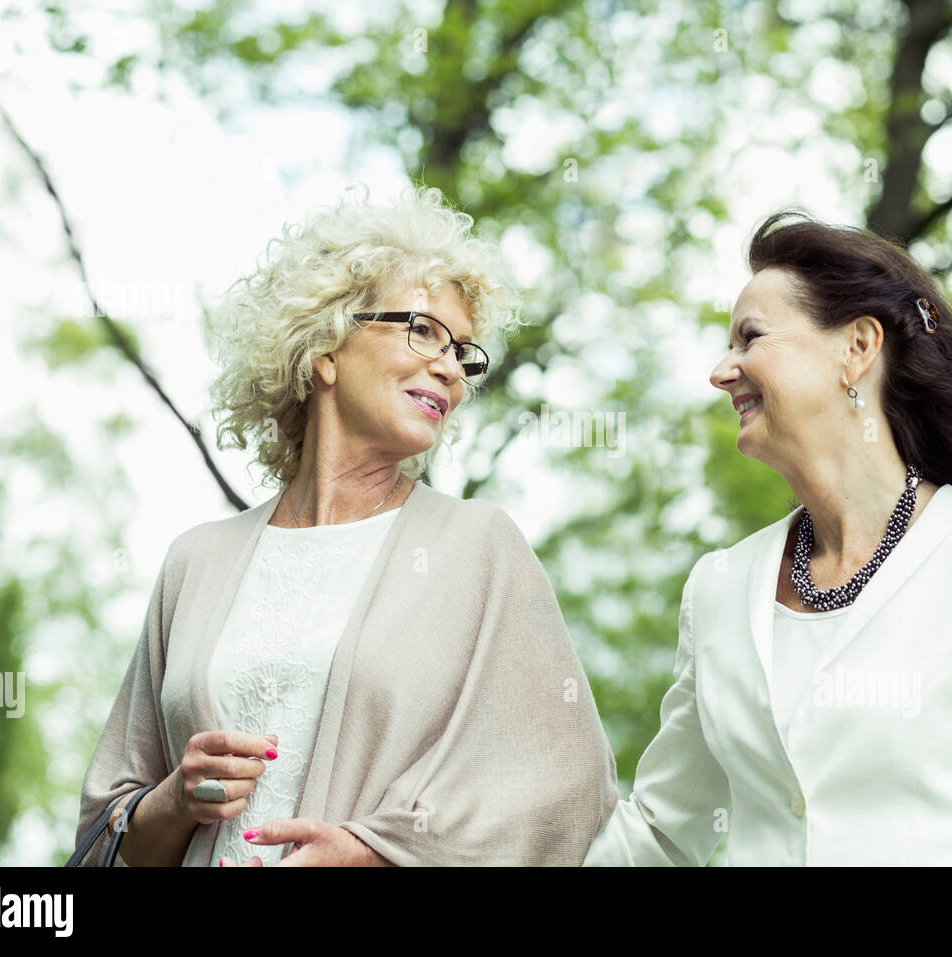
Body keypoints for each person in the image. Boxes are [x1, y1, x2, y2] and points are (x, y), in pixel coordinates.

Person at [75, 184, 618, 866]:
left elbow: (566, 787)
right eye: (424, 330)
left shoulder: (478, 547)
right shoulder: (197, 560)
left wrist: (375, 851)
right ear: (326, 346)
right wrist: (177, 798)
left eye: (464, 353)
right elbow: (107, 829)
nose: (450, 367)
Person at [584, 210, 952, 866]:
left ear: (858, 348)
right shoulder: (718, 589)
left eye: (749, 337)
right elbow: (661, 835)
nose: (722, 370)